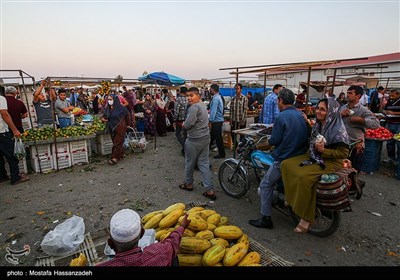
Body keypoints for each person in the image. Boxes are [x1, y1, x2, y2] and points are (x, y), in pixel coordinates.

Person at [281, 97, 350, 233]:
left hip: (331, 161)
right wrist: (307, 122)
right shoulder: (319, 124)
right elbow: (314, 135)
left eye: (323, 109)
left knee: (304, 177)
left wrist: (324, 150)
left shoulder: (338, 130)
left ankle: (306, 218)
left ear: (331, 112)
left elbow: (343, 153)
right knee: (285, 164)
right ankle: (291, 199)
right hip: (315, 156)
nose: (318, 111)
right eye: (318, 108)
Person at [248, 88, 309, 229]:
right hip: (299, 156)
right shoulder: (300, 115)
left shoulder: (281, 117)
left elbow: (274, 140)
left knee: (265, 185)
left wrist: (259, 146)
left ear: (280, 101)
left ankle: (266, 218)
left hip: (284, 157)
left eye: (278, 100)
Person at [97, 209, 191, 266]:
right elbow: (171, 242)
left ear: (110, 243)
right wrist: (182, 226)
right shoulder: (159, 253)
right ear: (142, 233)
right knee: (173, 257)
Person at [178, 87, 217, 200]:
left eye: (191, 95)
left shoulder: (194, 107)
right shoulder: (203, 105)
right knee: (204, 163)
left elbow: (188, 124)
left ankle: (188, 184)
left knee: (190, 163)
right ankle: (209, 190)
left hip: (194, 139)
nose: (189, 98)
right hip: (205, 137)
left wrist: (183, 124)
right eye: (188, 96)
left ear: (198, 96)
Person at [340, 85, 380, 172]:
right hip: (341, 144)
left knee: (354, 170)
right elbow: (333, 121)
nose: (347, 95)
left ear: (358, 96)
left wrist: (360, 119)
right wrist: (340, 115)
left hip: (356, 145)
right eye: (347, 93)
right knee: (341, 170)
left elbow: (376, 124)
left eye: (350, 93)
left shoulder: (363, 110)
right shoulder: (342, 108)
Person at [0, 94, 30, 185]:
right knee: (12, 154)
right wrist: (14, 129)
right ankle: (15, 177)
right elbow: (4, 113)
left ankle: (2, 176)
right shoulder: (1, 99)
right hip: (2, 132)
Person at [101, 94, 131, 165]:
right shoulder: (108, 108)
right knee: (116, 141)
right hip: (111, 127)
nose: (109, 101)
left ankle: (114, 157)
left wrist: (128, 125)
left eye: (111, 99)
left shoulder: (121, 108)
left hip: (120, 126)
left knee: (117, 143)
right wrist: (103, 119)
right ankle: (121, 154)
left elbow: (128, 115)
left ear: (115, 100)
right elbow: (104, 116)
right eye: (108, 99)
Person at [382, 88, 400, 164]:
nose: (391, 97)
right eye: (390, 95)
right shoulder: (389, 101)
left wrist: (394, 113)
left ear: (398, 95)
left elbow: (394, 112)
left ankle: (398, 160)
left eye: (393, 95)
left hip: (398, 124)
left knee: (398, 143)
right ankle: (391, 158)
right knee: (389, 142)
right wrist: (385, 112)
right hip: (389, 123)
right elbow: (385, 110)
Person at [209, 84, 225, 159]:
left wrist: (210, 120)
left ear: (213, 89)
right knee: (212, 135)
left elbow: (213, 111)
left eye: (210, 89)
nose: (210, 90)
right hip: (218, 120)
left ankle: (222, 154)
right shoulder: (218, 97)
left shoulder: (215, 99)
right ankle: (207, 149)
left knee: (218, 138)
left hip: (216, 121)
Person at [174, 86, 189, 155]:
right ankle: (184, 150)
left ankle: (185, 148)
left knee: (178, 134)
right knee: (185, 135)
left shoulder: (178, 99)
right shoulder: (188, 99)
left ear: (180, 91)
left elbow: (176, 111)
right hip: (187, 119)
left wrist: (174, 119)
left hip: (179, 119)